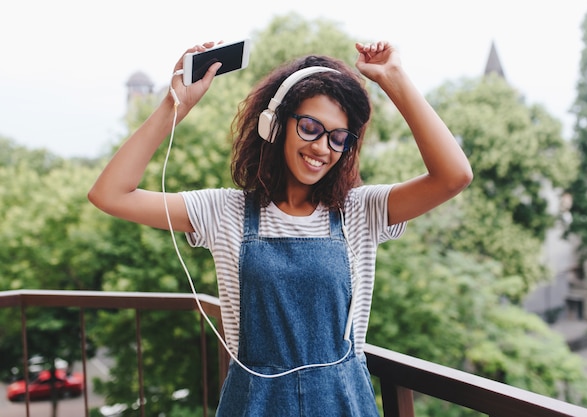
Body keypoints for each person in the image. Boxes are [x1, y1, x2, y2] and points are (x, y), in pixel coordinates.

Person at [88, 40, 472, 416]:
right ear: (274, 125)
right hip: (253, 405)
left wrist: (395, 79)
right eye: (309, 127)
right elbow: (110, 194)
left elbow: (453, 176)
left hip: (343, 404)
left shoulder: (360, 210)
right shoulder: (226, 211)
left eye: (338, 137)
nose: (322, 147)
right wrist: (175, 106)